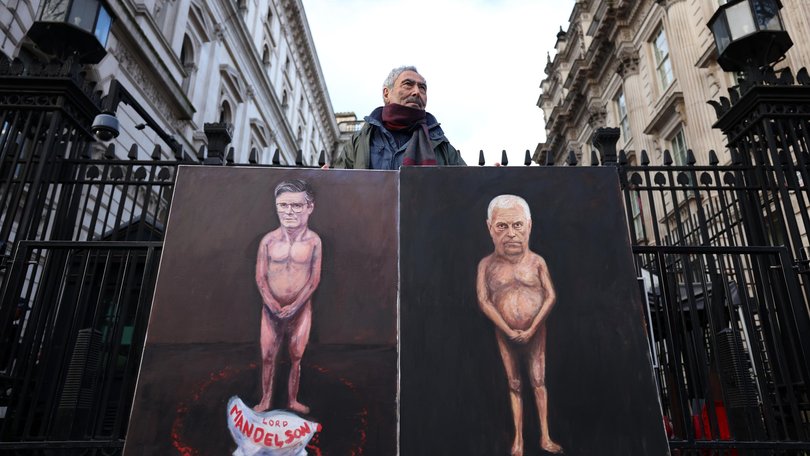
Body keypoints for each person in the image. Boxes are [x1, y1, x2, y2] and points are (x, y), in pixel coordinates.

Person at [476, 195, 562, 456]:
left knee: (538, 380)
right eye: (502, 226)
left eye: (517, 225)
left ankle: (545, 437)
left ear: (529, 225)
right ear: (490, 227)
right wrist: (506, 328)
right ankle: (518, 441)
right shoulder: (487, 265)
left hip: (535, 331)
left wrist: (533, 328)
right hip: (505, 332)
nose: (511, 233)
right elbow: (483, 300)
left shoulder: (537, 262)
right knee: (513, 383)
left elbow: (550, 296)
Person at [254, 179, 322, 414]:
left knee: (296, 357)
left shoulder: (314, 241)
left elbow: (314, 280)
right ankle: (266, 399)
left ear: (309, 207)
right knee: (268, 356)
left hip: (301, 310)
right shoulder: (268, 241)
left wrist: (295, 306)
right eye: (283, 205)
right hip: (270, 310)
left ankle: (292, 400)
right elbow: (261, 278)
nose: (289, 211)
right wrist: (272, 303)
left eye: (296, 206)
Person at [334, 65, 465, 169]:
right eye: (408, 84)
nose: (417, 92)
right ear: (386, 94)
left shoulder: (442, 144)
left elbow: (467, 189)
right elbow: (338, 187)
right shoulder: (360, 141)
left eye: (422, 88)